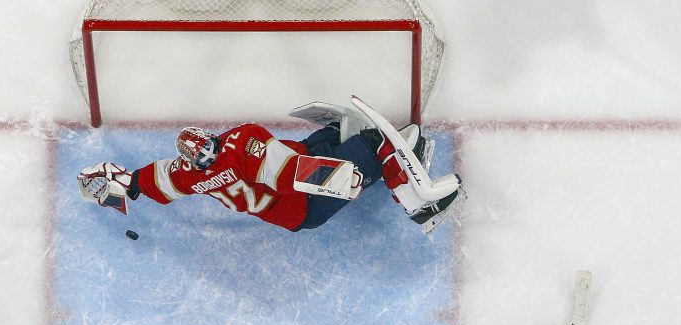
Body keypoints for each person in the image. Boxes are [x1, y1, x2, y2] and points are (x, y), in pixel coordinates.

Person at [76, 99, 464, 234]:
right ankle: (421, 205)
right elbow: (288, 173)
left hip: (284, 207)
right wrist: (345, 177)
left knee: (324, 142)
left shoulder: (188, 173)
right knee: (378, 144)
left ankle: (345, 149)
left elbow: (155, 179)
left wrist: (126, 184)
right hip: (305, 206)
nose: (209, 157)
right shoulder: (242, 143)